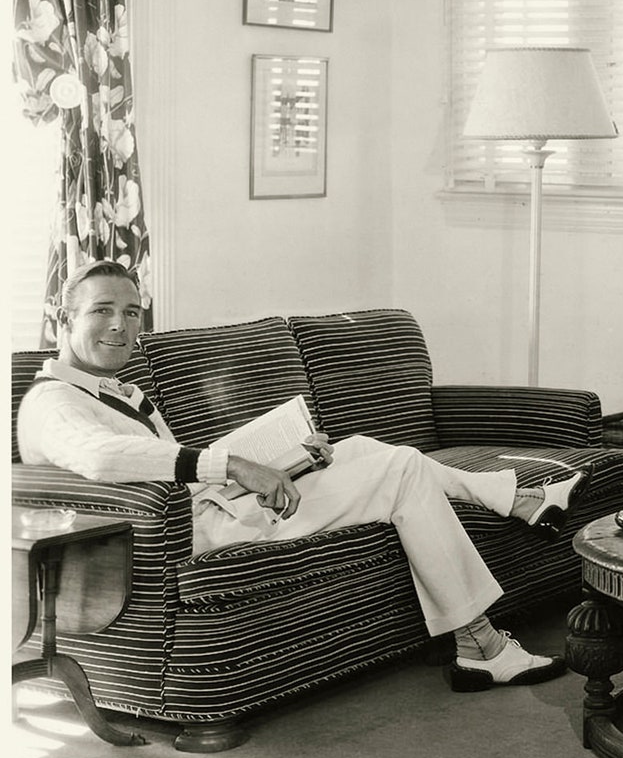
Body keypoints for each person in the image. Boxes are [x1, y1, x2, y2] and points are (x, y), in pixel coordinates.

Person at [17, 260, 583, 690]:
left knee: (355, 447)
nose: (120, 326)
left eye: (132, 312)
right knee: (404, 468)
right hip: (192, 536)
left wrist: (285, 458)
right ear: (64, 320)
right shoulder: (53, 402)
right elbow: (99, 458)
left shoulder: (115, 390)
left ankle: (506, 494)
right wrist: (235, 463)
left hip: (216, 507)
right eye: (102, 311)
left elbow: (177, 470)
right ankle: (480, 643)